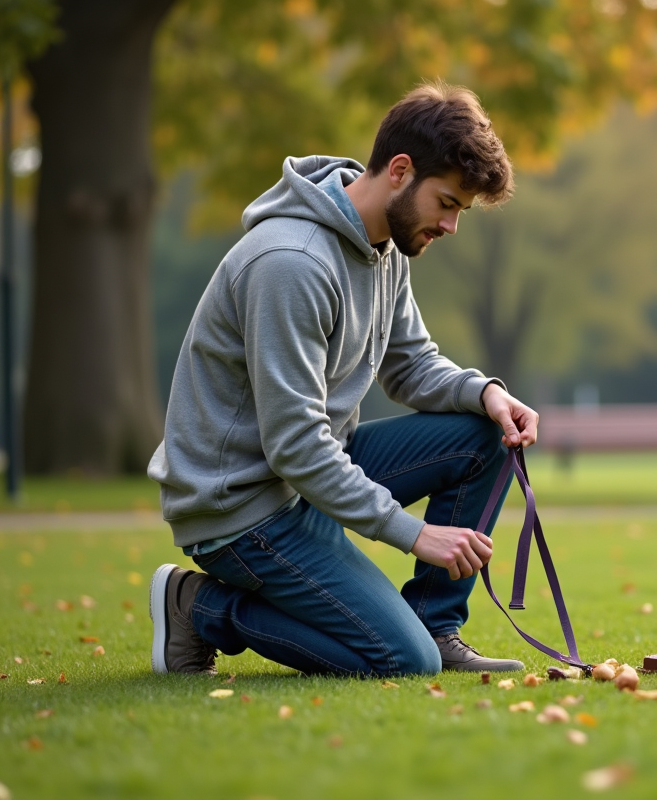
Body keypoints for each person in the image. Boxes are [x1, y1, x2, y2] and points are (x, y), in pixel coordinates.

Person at [146, 81, 537, 678]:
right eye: (449, 203)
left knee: (482, 432)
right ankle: (200, 607)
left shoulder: (387, 249)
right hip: (242, 507)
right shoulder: (292, 264)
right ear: (401, 171)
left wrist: (486, 393)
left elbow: (410, 366)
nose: (452, 226)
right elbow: (294, 443)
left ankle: (437, 625)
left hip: (306, 477)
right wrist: (413, 534)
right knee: (403, 660)